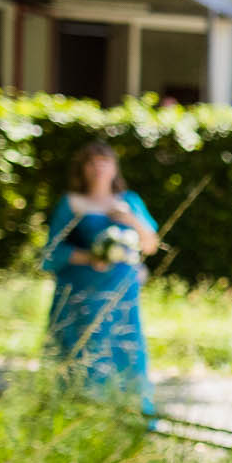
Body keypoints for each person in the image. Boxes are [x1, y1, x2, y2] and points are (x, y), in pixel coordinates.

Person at [42, 141, 160, 416]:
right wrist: (88, 258)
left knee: (123, 344)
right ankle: (78, 407)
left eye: (104, 162)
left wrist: (129, 219)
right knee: (81, 343)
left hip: (121, 290)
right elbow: (53, 249)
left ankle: (127, 408)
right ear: (82, 169)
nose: (98, 168)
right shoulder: (71, 203)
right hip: (81, 288)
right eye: (91, 162)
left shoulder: (129, 202)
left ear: (114, 168)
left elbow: (150, 243)